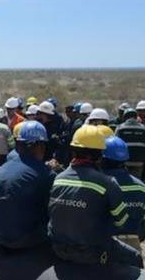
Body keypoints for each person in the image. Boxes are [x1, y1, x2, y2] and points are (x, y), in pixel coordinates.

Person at [48, 126, 142, 268]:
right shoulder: (107, 183)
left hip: (57, 248)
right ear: (98, 156)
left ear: (73, 151)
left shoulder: (58, 178)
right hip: (90, 253)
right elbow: (121, 221)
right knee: (134, 257)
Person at [0, 121, 54, 249]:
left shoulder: (3, 168)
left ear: (19, 146)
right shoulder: (46, 174)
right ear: (40, 147)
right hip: (24, 239)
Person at [102, 136, 145, 253]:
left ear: (102, 159)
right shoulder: (140, 186)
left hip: (104, 247)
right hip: (133, 247)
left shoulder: (100, 185)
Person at [116, 108, 145, 179]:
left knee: (125, 181)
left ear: (125, 117)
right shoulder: (143, 128)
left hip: (124, 162)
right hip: (139, 162)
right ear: (136, 117)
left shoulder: (119, 128)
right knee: (138, 182)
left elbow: (116, 144)